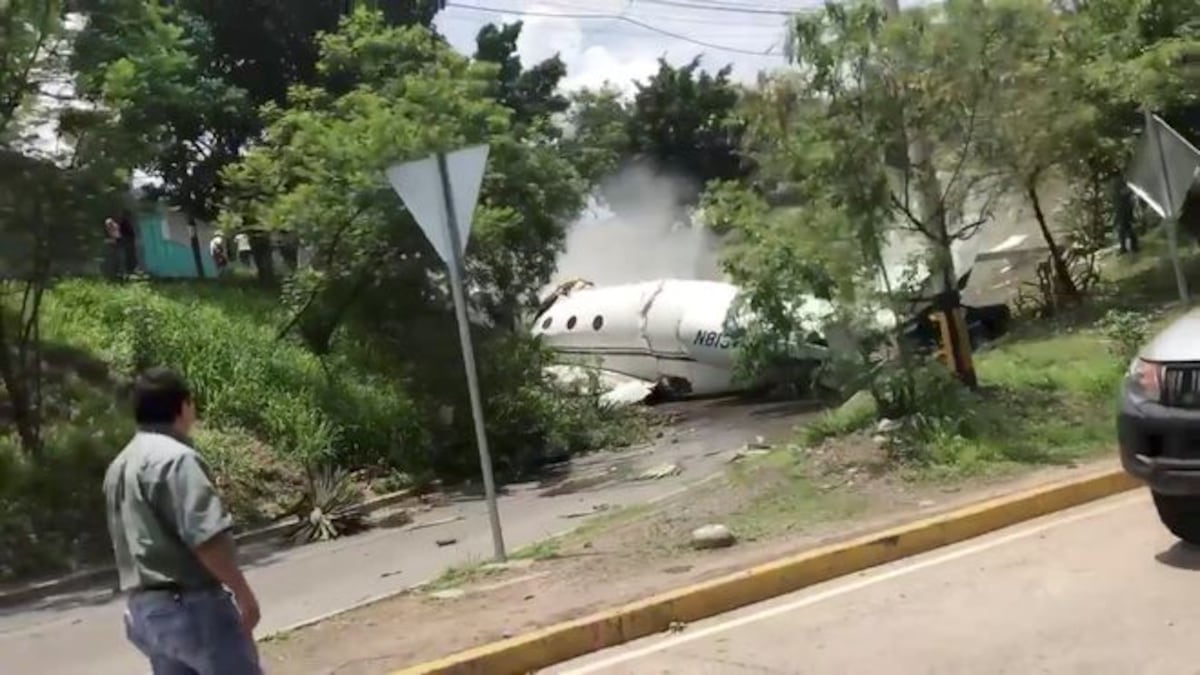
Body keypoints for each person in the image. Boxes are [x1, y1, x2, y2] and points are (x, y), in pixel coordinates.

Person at [103, 367, 262, 675]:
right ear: (184, 405)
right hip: (193, 607)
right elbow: (206, 537)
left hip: (146, 612)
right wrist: (243, 593)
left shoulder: (119, 466)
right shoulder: (177, 459)